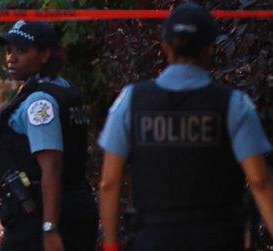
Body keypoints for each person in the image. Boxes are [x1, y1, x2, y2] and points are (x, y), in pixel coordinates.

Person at [98, 3, 273, 250]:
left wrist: (111, 244)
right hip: (217, 239)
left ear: (165, 46)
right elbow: (259, 182)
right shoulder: (233, 104)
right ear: (210, 48)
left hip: (153, 239)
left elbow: (109, 182)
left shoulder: (131, 101)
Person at [0, 21, 98, 251]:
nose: (11, 58)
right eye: (9, 50)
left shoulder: (40, 102)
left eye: (22, 50)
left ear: (45, 54)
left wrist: (49, 228)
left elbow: (52, 166)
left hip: (45, 214)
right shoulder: (62, 87)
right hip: (54, 208)